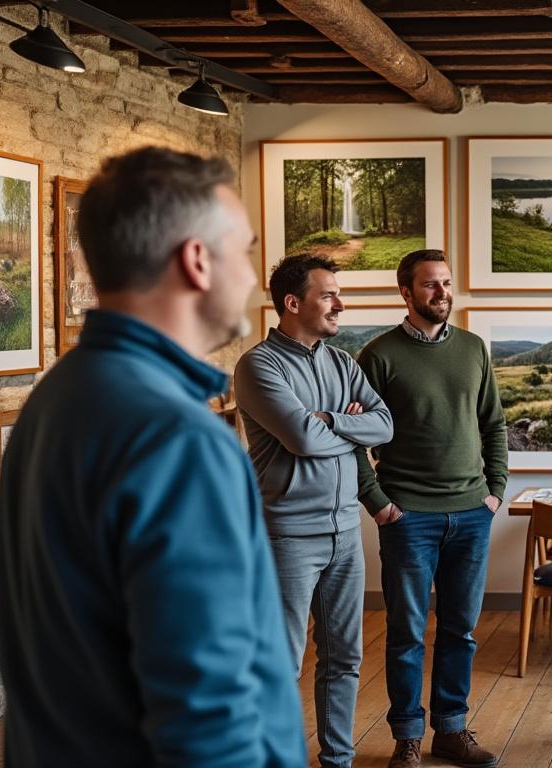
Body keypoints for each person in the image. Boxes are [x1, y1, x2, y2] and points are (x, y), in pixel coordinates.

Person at [0, 146, 304, 766]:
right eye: (242, 251)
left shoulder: (59, 394)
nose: (249, 277)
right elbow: (208, 707)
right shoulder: (176, 437)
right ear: (196, 260)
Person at [236, 254, 394, 768]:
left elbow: (386, 425)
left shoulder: (343, 362)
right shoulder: (259, 365)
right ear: (292, 302)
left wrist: (328, 421)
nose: (339, 304)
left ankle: (337, 760)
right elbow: (302, 439)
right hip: (285, 536)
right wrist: (345, 429)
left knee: (345, 658)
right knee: (283, 664)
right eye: (328, 295)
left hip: (346, 532)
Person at [354, 249, 507, 768]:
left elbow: (494, 425)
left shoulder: (473, 349)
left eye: (446, 283)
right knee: (406, 634)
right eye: (429, 285)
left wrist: (495, 492)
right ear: (406, 292)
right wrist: (378, 505)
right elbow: (356, 440)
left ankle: (451, 729)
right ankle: (407, 739)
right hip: (408, 517)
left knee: (461, 630)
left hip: (472, 513)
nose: (442, 293)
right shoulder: (377, 355)